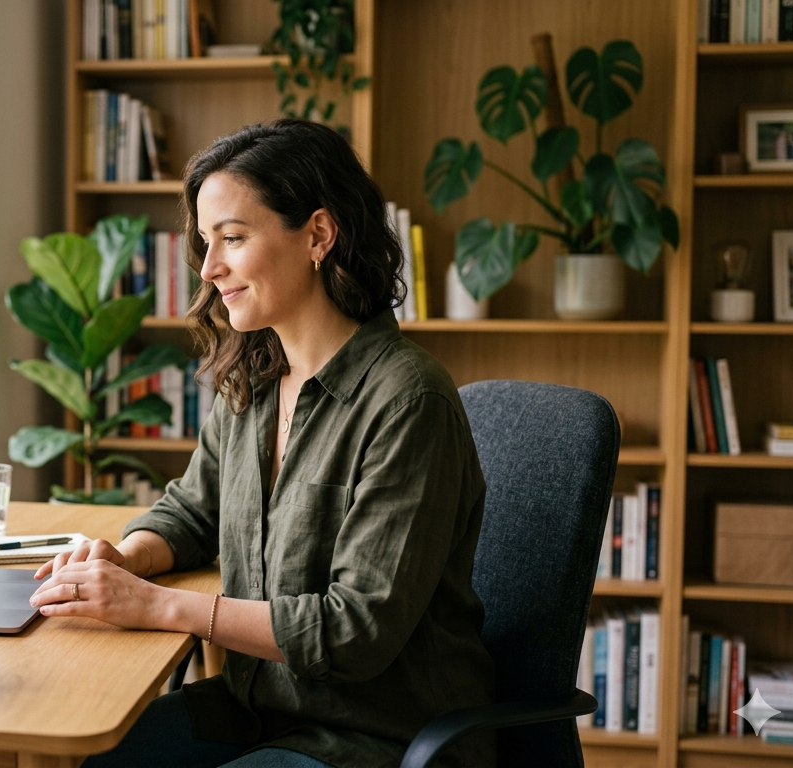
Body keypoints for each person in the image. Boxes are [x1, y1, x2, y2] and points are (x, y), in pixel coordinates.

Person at [30, 119, 496, 768]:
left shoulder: (408, 401)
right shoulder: (251, 377)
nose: (211, 267)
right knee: (75, 756)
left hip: (375, 739)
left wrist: (160, 606)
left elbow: (354, 630)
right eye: (205, 242)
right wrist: (127, 557)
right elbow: (193, 510)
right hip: (255, 711)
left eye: (233, 238)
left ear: (318, 234)